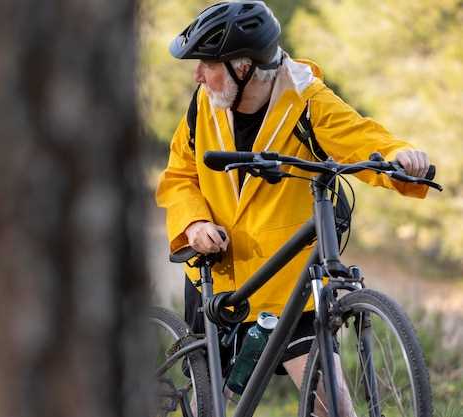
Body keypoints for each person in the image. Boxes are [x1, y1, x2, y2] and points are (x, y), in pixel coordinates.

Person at [155, 1, 430, 415]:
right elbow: (180, 175)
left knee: (332, 405)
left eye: (207, 64)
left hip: (288, 288)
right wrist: (193, 223)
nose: (197, 74)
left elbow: (357, 135)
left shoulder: (305, 99)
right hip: (221, 272)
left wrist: (400, 156)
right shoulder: (203, 106)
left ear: (242, 66)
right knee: (209, 405)